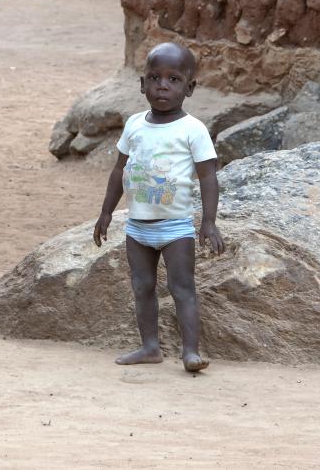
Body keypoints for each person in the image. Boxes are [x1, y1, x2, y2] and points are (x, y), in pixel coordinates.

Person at [93, 42, 225, 372]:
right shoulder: (135, 124)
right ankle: (150, 347)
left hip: (175, 227)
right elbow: (119, 170)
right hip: (137, 227)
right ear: (141, 84)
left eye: (173, 79)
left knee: (182, 288)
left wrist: (209, 221)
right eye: (154, 78)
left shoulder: (192, 129)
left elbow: (208, 176)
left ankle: (190, 352)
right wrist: (107, 212)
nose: (162, 86)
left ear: (189, 87)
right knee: (142, 287)